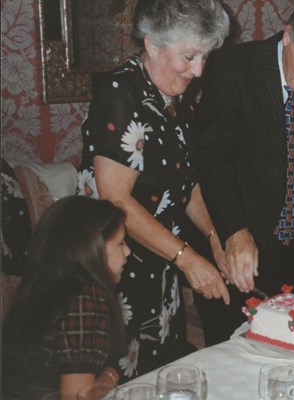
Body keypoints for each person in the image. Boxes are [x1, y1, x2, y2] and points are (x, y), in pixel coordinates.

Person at [76, 0, 230, 379]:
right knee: (120, 378)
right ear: (152, 45)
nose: (198, 70)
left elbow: (186, 184)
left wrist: (213, 239)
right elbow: (115, 197)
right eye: (190, 56)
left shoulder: (172, 99)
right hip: (114, 263)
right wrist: (188, 258)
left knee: (160, 372)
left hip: (160, 260)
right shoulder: (121, 91)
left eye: (204, 57)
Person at [193, 0, 294, 345]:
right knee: (230, 355)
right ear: (288, 35)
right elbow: (213, 159)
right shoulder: (233, 67)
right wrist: (234, 230)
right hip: (234, 246)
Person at [2, 196, 129, 400]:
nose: (128, 251)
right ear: (91, 249)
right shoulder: (88, 298)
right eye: (120, 243)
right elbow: (78, 397)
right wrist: (111, 376)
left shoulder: (43, 285)